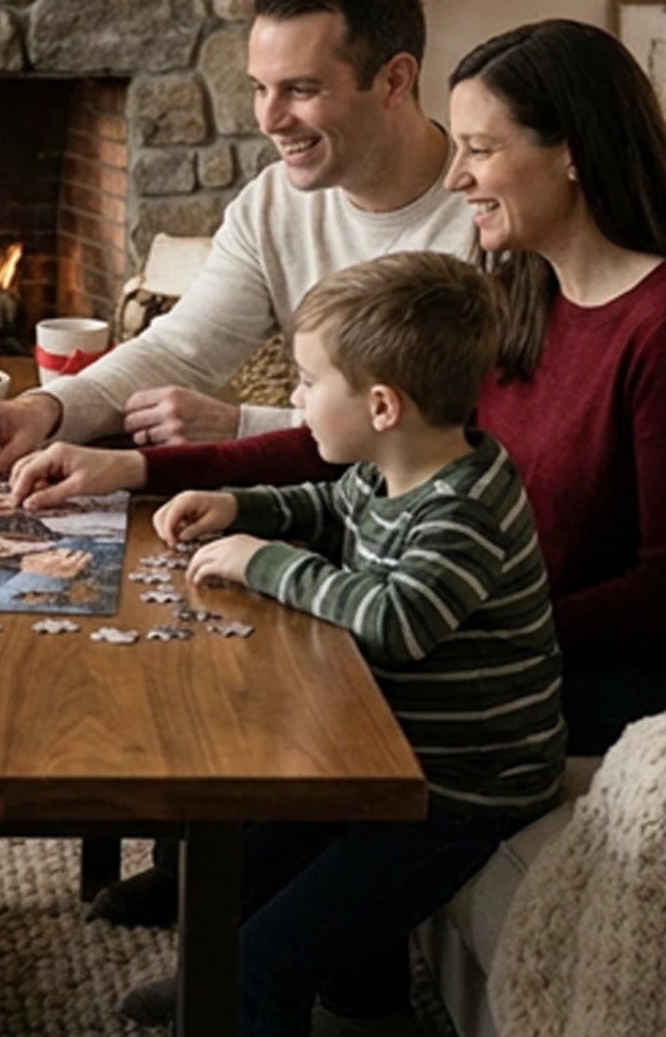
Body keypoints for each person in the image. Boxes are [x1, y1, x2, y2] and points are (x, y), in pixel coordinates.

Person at [15, 19, 666, 756]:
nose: (456, 177)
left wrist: (452, 629)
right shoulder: (525, 288)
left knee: (260, 680)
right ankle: (186, 885)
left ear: (572, 153)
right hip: (447, 617)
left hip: (561, 677)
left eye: (480, 148)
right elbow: (389, 443)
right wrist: (141, 470)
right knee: (213, 650)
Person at [101, 251, 563, 1035]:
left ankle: (248, 994)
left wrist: (265, 562)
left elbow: (396, 622)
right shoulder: (389, 470)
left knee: (266, 960)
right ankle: (342, 1003)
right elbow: (322, 505)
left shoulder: (464, 509)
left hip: (460, 791)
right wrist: (236, 507)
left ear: (382, 406)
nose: (294, 398)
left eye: (310, 383)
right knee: (234, 875)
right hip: (382, 754)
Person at [0, 0, 476, 485]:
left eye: (302, 90)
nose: (269, 119)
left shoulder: (484, 220)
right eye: (260, 88)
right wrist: (44, 408)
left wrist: (241, 427)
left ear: (394, 81)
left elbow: (465, 438)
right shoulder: (273, 203)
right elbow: (179, 350)